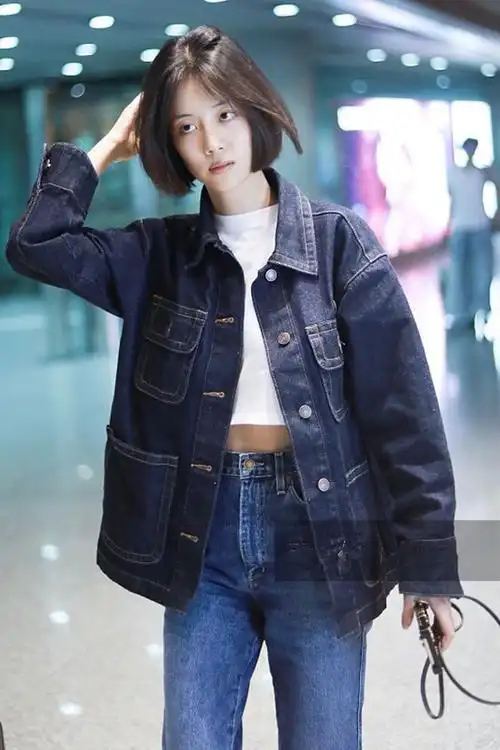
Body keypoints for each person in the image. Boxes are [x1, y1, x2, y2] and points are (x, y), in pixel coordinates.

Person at [6, 25, 463, 750]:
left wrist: (431, 568)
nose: (211, 142)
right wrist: (108, 146)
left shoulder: (339, 244)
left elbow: (404, 415)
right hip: (204, 530)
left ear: (254, 109)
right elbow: (36, 245)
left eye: (222, 114)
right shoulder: (161, 255)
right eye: (185, 127)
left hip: (320, 535)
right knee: (193, 738)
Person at [446, 137, 495, 331]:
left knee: (482, 271)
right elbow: (453, 201)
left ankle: (482, 310)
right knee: (460, 272)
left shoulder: (481, 172)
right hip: (461, 227)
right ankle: (462, 314)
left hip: (480, 225)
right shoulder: (453, 173)